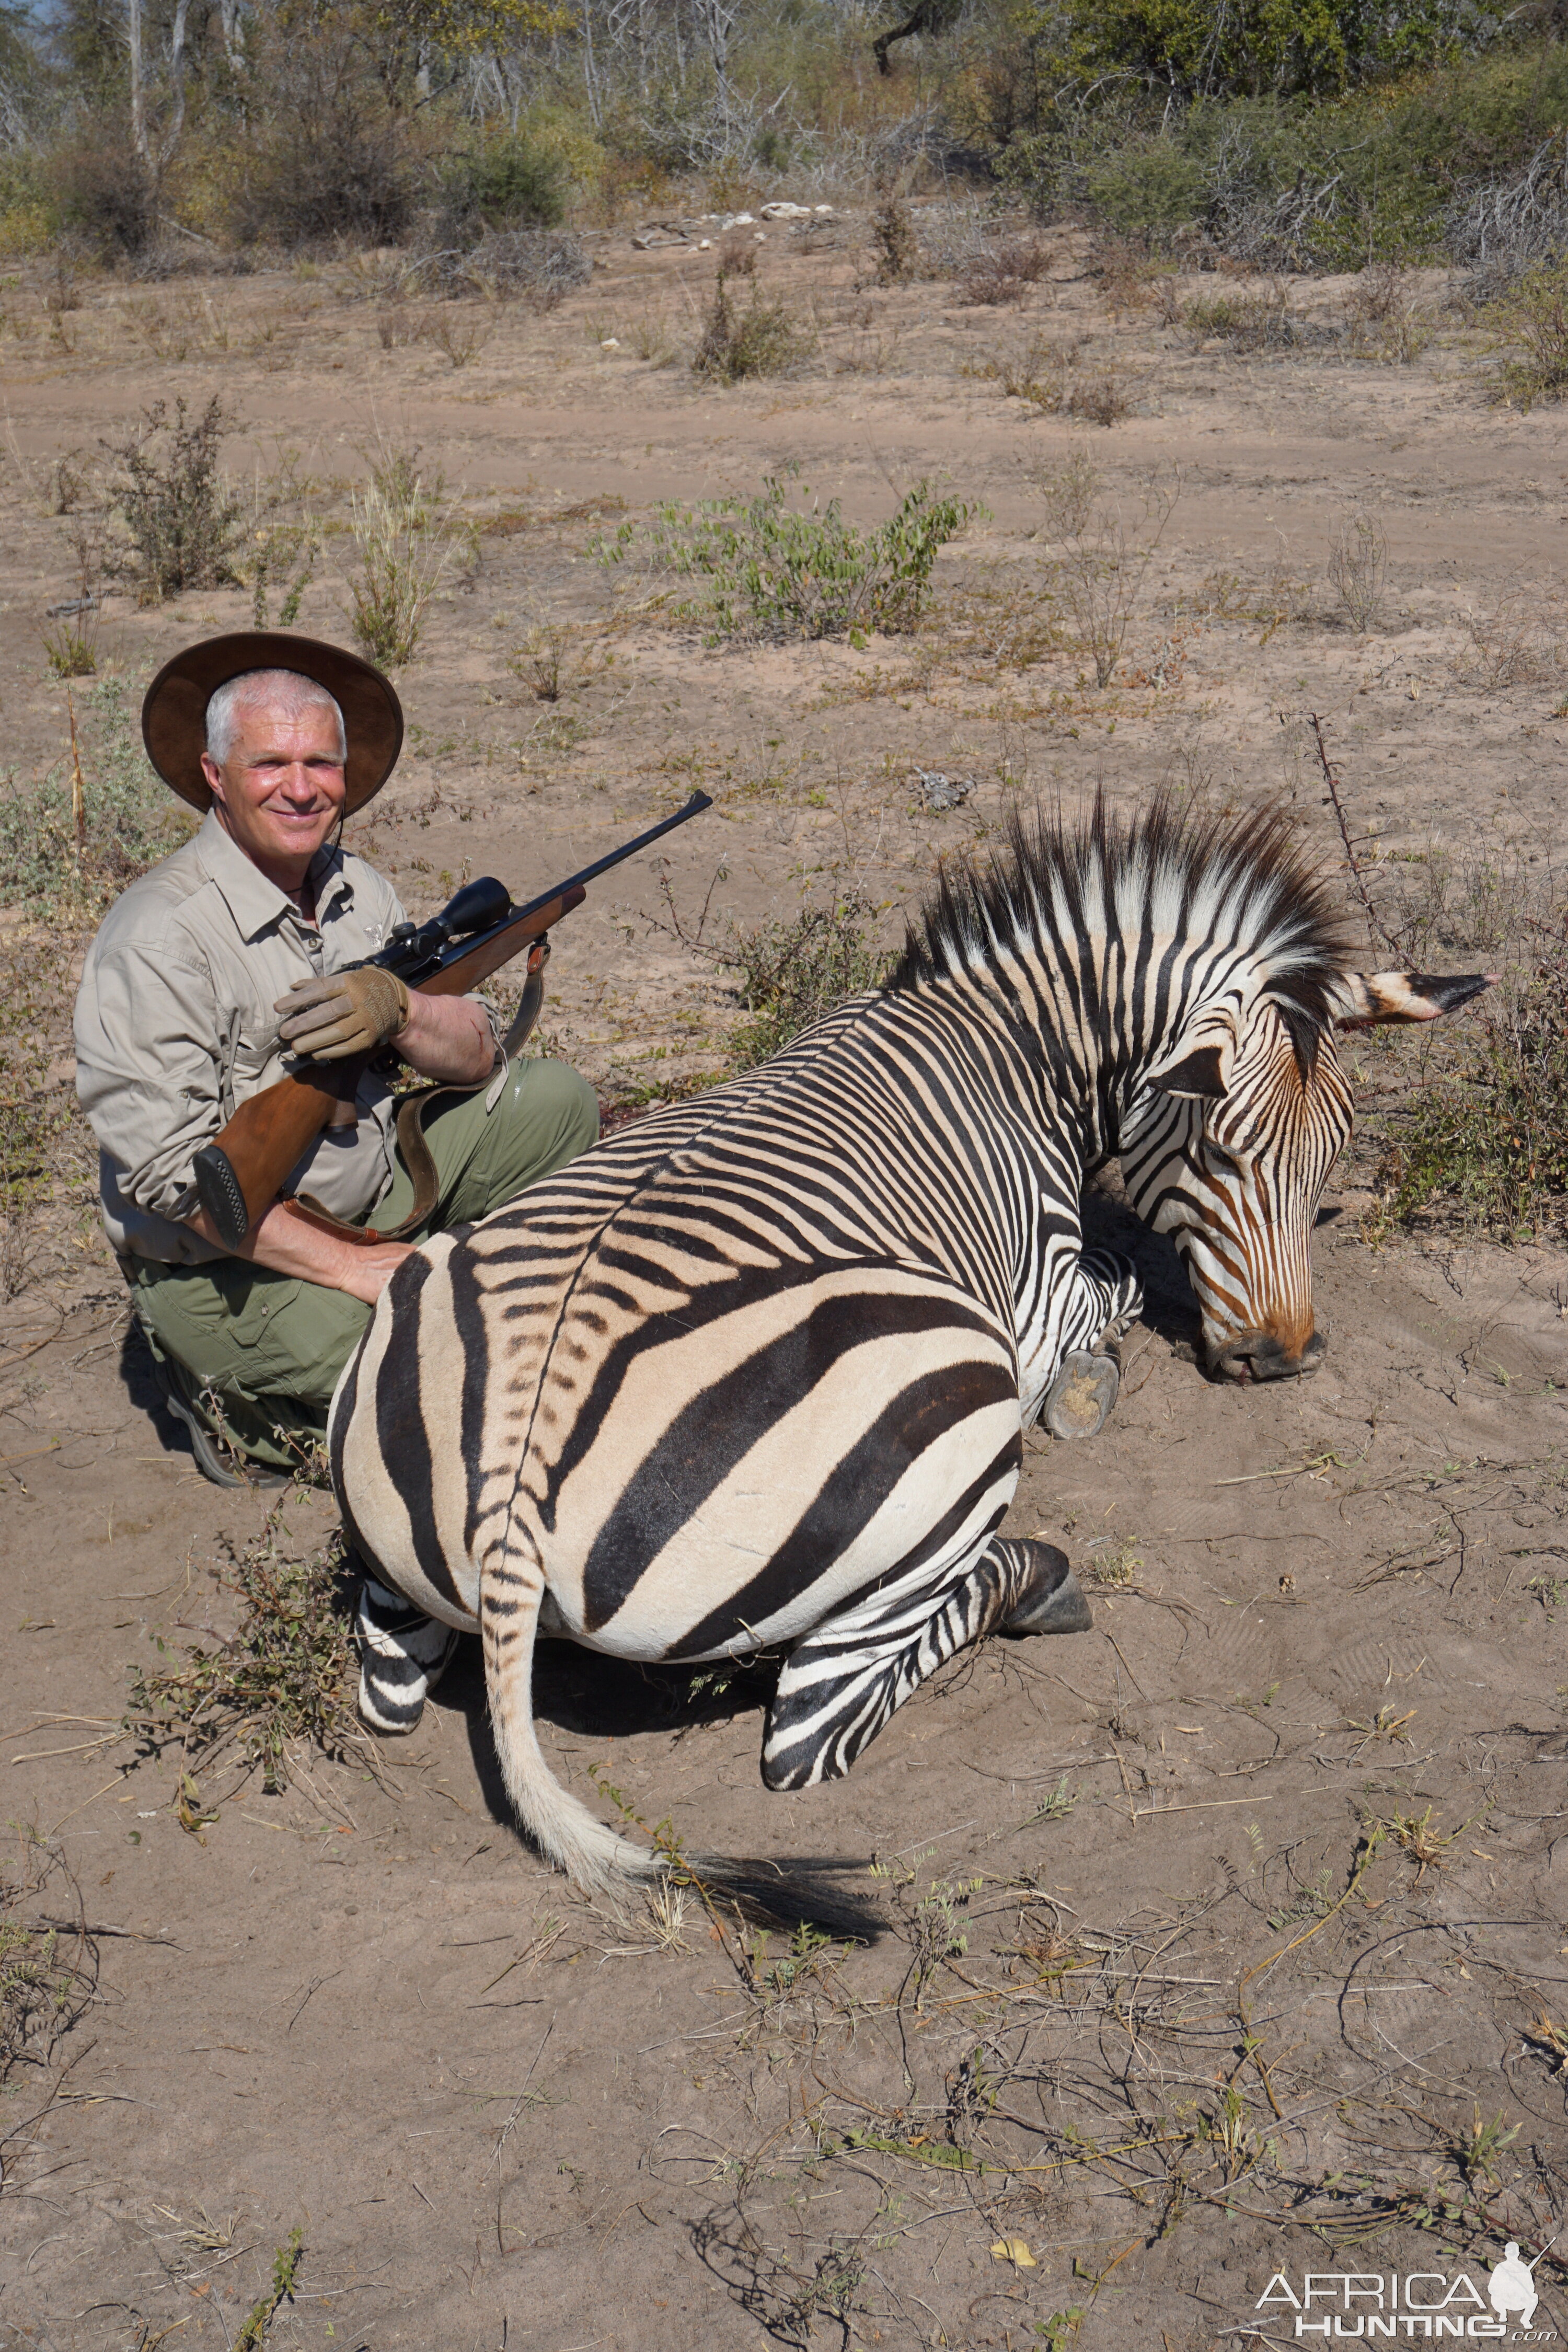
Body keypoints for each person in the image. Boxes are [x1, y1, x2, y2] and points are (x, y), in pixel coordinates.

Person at [75, 631, 599, 1732]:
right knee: (410, 1361)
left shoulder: (361, 890)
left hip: (369, 1190)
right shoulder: (158, 936)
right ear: (214, 777)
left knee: (557, 1103)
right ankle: (241, 1423)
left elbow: (486, 1058)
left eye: (322, 763)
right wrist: (377, 1275)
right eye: (271, 765)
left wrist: (404, 1011)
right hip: (225, 1258)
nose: (302, 788)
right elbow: (183, 1188)